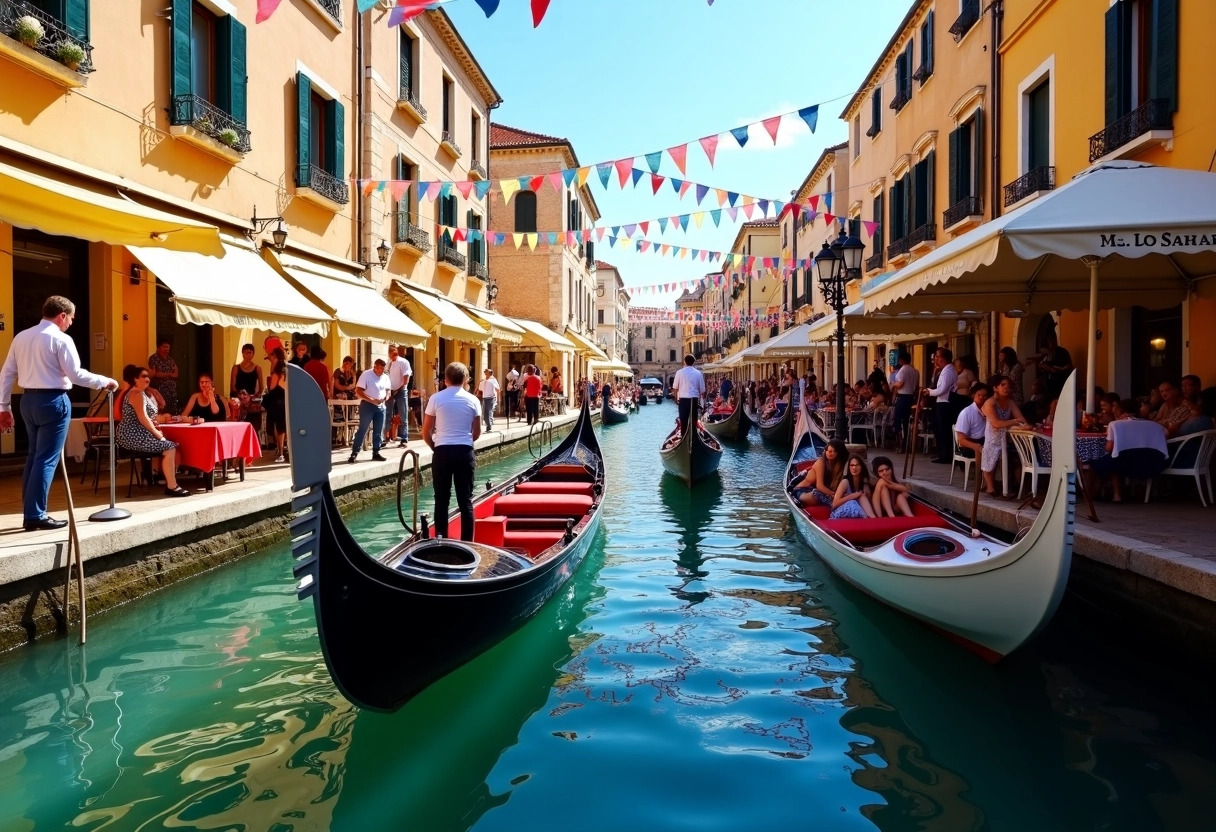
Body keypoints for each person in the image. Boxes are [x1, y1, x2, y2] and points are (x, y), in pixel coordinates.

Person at [0, 296, 119, 530]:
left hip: (28, 400)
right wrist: (105, 381)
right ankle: (35, 515)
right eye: (71, 318)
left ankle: (31, 511)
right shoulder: (62, 339)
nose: (71, 323)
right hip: (53, 400)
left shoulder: (21, 337)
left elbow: (7, 374)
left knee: (34, 457)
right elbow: (75, 375)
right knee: (46, 459)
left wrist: (4, 406)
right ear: (62, 315)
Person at [424, 362, 482, 541]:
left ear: (445, 379)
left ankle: (441, 540)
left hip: (442, 452)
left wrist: (437, 447)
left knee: (441, 499)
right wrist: (463, 443)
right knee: (465, 500)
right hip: (464, 452)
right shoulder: (473, 400)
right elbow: (477, 432)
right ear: (465, 379)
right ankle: (468, 543)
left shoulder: (436, 398)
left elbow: (425, 432)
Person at [115, 366, 190, 497]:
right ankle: (172, 486)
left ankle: (160, 477)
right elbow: (143, 418)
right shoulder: (136, 394)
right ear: (135, 379)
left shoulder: (142, 393)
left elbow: (150, 415)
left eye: (147, 376)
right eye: (143, 376)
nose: (147, 378)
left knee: (170, 446)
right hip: (131, 435)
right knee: (169, 447)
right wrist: (156, 433)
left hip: (139, 433)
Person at [981, 374, 1029, 498]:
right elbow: (996, 423)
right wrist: (1014, 422)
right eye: (1003, 385)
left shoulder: (1010, 402)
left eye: (1009, 385)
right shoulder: (989, 403)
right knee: (990, 461)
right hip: (992, 438)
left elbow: (1022, 420)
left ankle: (1012, 487)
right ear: (995, 388)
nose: (1007, 388)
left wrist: (1023, 424)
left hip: (1006, 438)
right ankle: (990, 488)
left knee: (1017, 456)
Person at [349, 358, 390, 464]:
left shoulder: (385, 377)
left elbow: (388, 390)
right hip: (367, 405)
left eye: (382, 368)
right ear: (375, 366)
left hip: (381, 406)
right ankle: (355, 452)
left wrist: (386, 397)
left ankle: (376, 452)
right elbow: (358, 390)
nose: (381, 370)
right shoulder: (366, 375)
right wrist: (372, 400)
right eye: (379, 368)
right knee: (363, 429)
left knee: (378, 430)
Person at [923, 347, 957, 464]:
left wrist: (929, 392)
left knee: (944, 431)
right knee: (939, 429)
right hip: (940, 403)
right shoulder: (943, 370)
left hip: (945, 404)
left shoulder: (948, 371)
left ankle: (946, 455)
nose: (935, 359)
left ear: (942, 358)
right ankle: (942, 453)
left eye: (937, 356)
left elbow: (942, 389)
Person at [792, 439, 846, 508]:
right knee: (816, 493)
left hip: (818, 492)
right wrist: (834, 494)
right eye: (828, 451)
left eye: (833, 452)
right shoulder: (821, 462)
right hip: (801, 491)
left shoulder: (837, 465)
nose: (829, 453)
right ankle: (834, 505)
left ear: (839, 453)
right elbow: (819, 486)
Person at [830, 454, 876, 519]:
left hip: (856, 513)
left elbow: (875, 481)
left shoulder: (864, 483)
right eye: (852, 465)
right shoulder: (845, 482)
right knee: (853, 502)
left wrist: (866, 488)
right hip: (838, 513)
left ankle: (872, 518)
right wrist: (853, 496)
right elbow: (834, 504)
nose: (854, 468)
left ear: (861, 467)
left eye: (857, 465)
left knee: (861, 495)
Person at [384, 345, 412, 447]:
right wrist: (388, 390)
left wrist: (399, 389)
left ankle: (404, 438)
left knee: (403, 414)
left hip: (400, 391)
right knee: (387, 414)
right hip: (390, 391)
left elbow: (406, 378)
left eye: (393, 351)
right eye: (390, 352)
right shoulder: (388, 363)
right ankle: (386, 437)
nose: (392, 354)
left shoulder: (403, 362)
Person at [955, 381, 991, 460]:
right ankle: (979, 472)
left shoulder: (990, 411)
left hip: (986, 441)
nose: (982, 398)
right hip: (971, 446)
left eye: (985, 396)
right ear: (973, 395)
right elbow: (961, 440)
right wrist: (977, 446)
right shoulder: (966, 413)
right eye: (979, 395)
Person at [264, 347, 288, 463]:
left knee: (279, 428)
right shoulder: (283, 368)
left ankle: (281, 452)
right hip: (280, 399)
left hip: (277, 400)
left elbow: (274, 386)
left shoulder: (278, 370)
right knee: (280, 427)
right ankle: (281, 451)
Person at [672, 354, 707, 435]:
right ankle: (693, 434)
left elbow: (675, 388)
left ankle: (683, 435)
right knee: (694, 419)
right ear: (694, 362)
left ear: (685, 362)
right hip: (694, 399)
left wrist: (675, 399)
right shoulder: (698, 373)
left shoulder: (679, 372)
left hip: (683, 399)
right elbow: (702, 390)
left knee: (683, 419)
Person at [890, 351, 919, 448]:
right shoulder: (915, 371)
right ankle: (907, 442)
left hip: (902, 397)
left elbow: (900, 383)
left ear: (901, 360)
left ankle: (900, 443)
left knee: (898, 420)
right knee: (906, 421)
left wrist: (893, 384)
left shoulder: (903, 369)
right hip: (911, 397)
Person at [1033, 332, 1073, 399]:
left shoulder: (1062, 352)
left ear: (1055, 340)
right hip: (1048, 386)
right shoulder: (1045, 353)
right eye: (1048, 341)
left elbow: (1068, 366)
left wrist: (1058, 369)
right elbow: (1041, 368)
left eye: (1051, 340)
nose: (1049, 342)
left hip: (1060, 384)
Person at [147, 338, 180, 415]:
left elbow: (176, 374)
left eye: (168, 347)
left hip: (171, 392)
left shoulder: (170, 360)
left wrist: (164, 374)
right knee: (162, 412)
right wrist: (169, 374)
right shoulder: (154, 358)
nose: (167, 349)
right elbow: (156, 373)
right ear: (158, 348)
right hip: (160, 391)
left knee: (172, 412)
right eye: (165, 347)